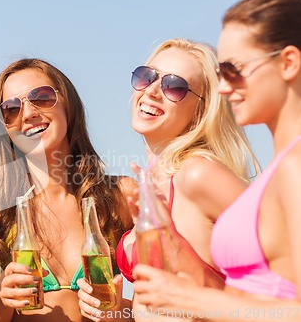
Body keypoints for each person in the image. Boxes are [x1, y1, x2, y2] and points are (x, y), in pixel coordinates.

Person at [133, 0, 301, 321]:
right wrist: (172, 240)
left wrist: (193, 300)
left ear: (288, 63)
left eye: (233, 70)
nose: (223, 88)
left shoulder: (295, 166)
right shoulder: (280, 168)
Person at [78, 38, 260, 322]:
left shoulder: (198, 174)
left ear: (202, 110)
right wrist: (120, 311)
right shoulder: (152, 183)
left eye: (173, 86)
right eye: (146, 76)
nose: (151, 90)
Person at [0, 58, 136, 321]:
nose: (28, 113)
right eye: (11, 108)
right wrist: (3, 301)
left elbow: (163, 305)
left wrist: (120, 311)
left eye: (41, 97)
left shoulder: (120, 196)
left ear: (68, 102)